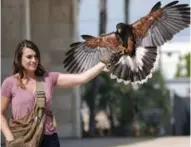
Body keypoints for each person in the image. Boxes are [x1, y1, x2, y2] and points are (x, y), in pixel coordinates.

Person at [1, 40, 117, 147]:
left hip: (48, 138)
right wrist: (10, 138)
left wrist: (102, 63)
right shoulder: (10, 83)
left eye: (36, 56)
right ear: (19, 59)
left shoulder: (48, 78)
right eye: (29, 57)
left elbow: (82, 78)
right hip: (21, 139)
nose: (34, 60)